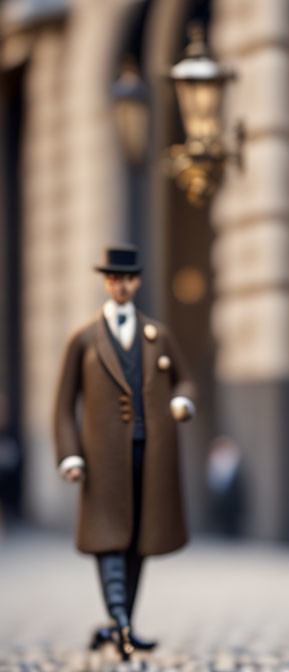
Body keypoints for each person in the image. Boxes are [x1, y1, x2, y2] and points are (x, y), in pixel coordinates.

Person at [54, 245, 196, 659]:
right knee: (108, 537)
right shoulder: (83, 339)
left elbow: (186, 381)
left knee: (138, 539)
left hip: (150, 456)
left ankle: (122, 624)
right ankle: (120, 624)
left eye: (129, 278)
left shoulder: (158, 335)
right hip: (101, 461)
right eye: (114, 279)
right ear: (106, 282)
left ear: (138, 281)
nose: (121, 285)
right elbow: (63, 406)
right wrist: (69, 454)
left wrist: (182, 402)